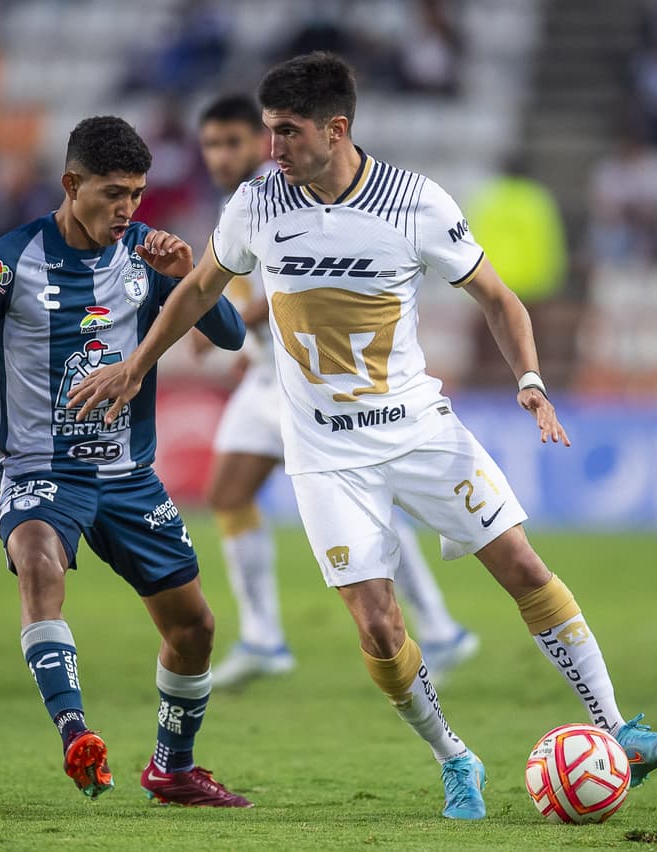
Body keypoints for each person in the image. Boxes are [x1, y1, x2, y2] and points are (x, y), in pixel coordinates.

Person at [67, 55, 657, 820]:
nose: (272, 148)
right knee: (377, 624)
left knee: (524, 566)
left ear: (336, 129)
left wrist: (530, 380)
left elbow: (499, 298)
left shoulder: (414, 203)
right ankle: (454, 757)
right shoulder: (256, 205)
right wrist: (137, 365)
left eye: (288, 132)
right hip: (325, 455)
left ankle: (618, 729)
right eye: (268, 131)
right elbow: (200, 290)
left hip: (418, 429)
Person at [0, 116, 252, 808]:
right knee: (39, 563)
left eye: (136, 193)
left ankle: (172, 768)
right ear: (71, 185)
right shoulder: (6, 263)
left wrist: (187, 273)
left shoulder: (146, 255)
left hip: (129, 478)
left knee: (194, 628)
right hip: (41, 472)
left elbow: (228, 337)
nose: (127, 209)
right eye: (113, 194)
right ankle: (77, 733)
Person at [195, 93, 479, 688]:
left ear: (261, 141)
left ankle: (440, 629)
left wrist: (222, 321)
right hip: (271, 376)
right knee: (228, 492)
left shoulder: (285, 192)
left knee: (369, 508)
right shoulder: (245, 201)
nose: (219, 155)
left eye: (231, 142)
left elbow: (286, 290)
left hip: (317, 383)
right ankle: (264, 637)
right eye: (210, 145)